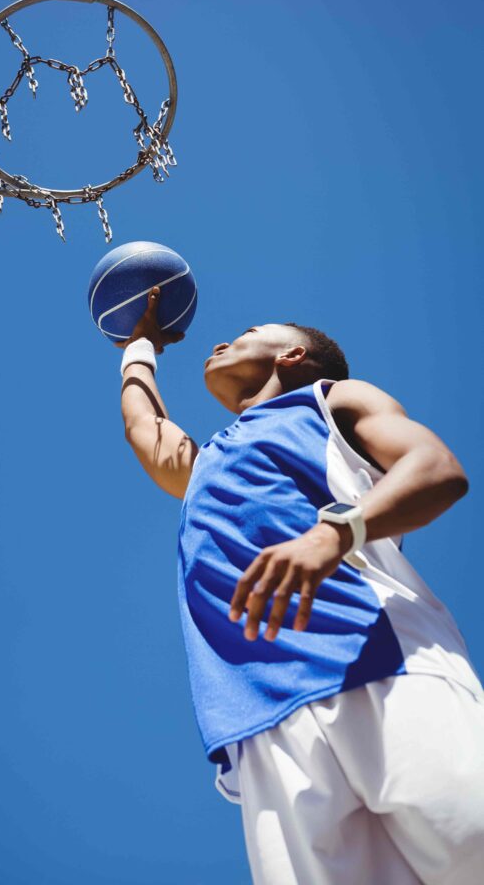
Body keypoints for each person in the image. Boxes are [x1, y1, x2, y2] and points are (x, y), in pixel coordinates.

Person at [118, 287, 484, 885]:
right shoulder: (205, 462)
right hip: (259, 720)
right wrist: (138, 349)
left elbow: (437, 470)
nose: (219, 342)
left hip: (378, 658)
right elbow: (145, 425)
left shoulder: (330, 401)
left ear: (291, 356)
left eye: (247, 331)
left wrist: (335, 532)